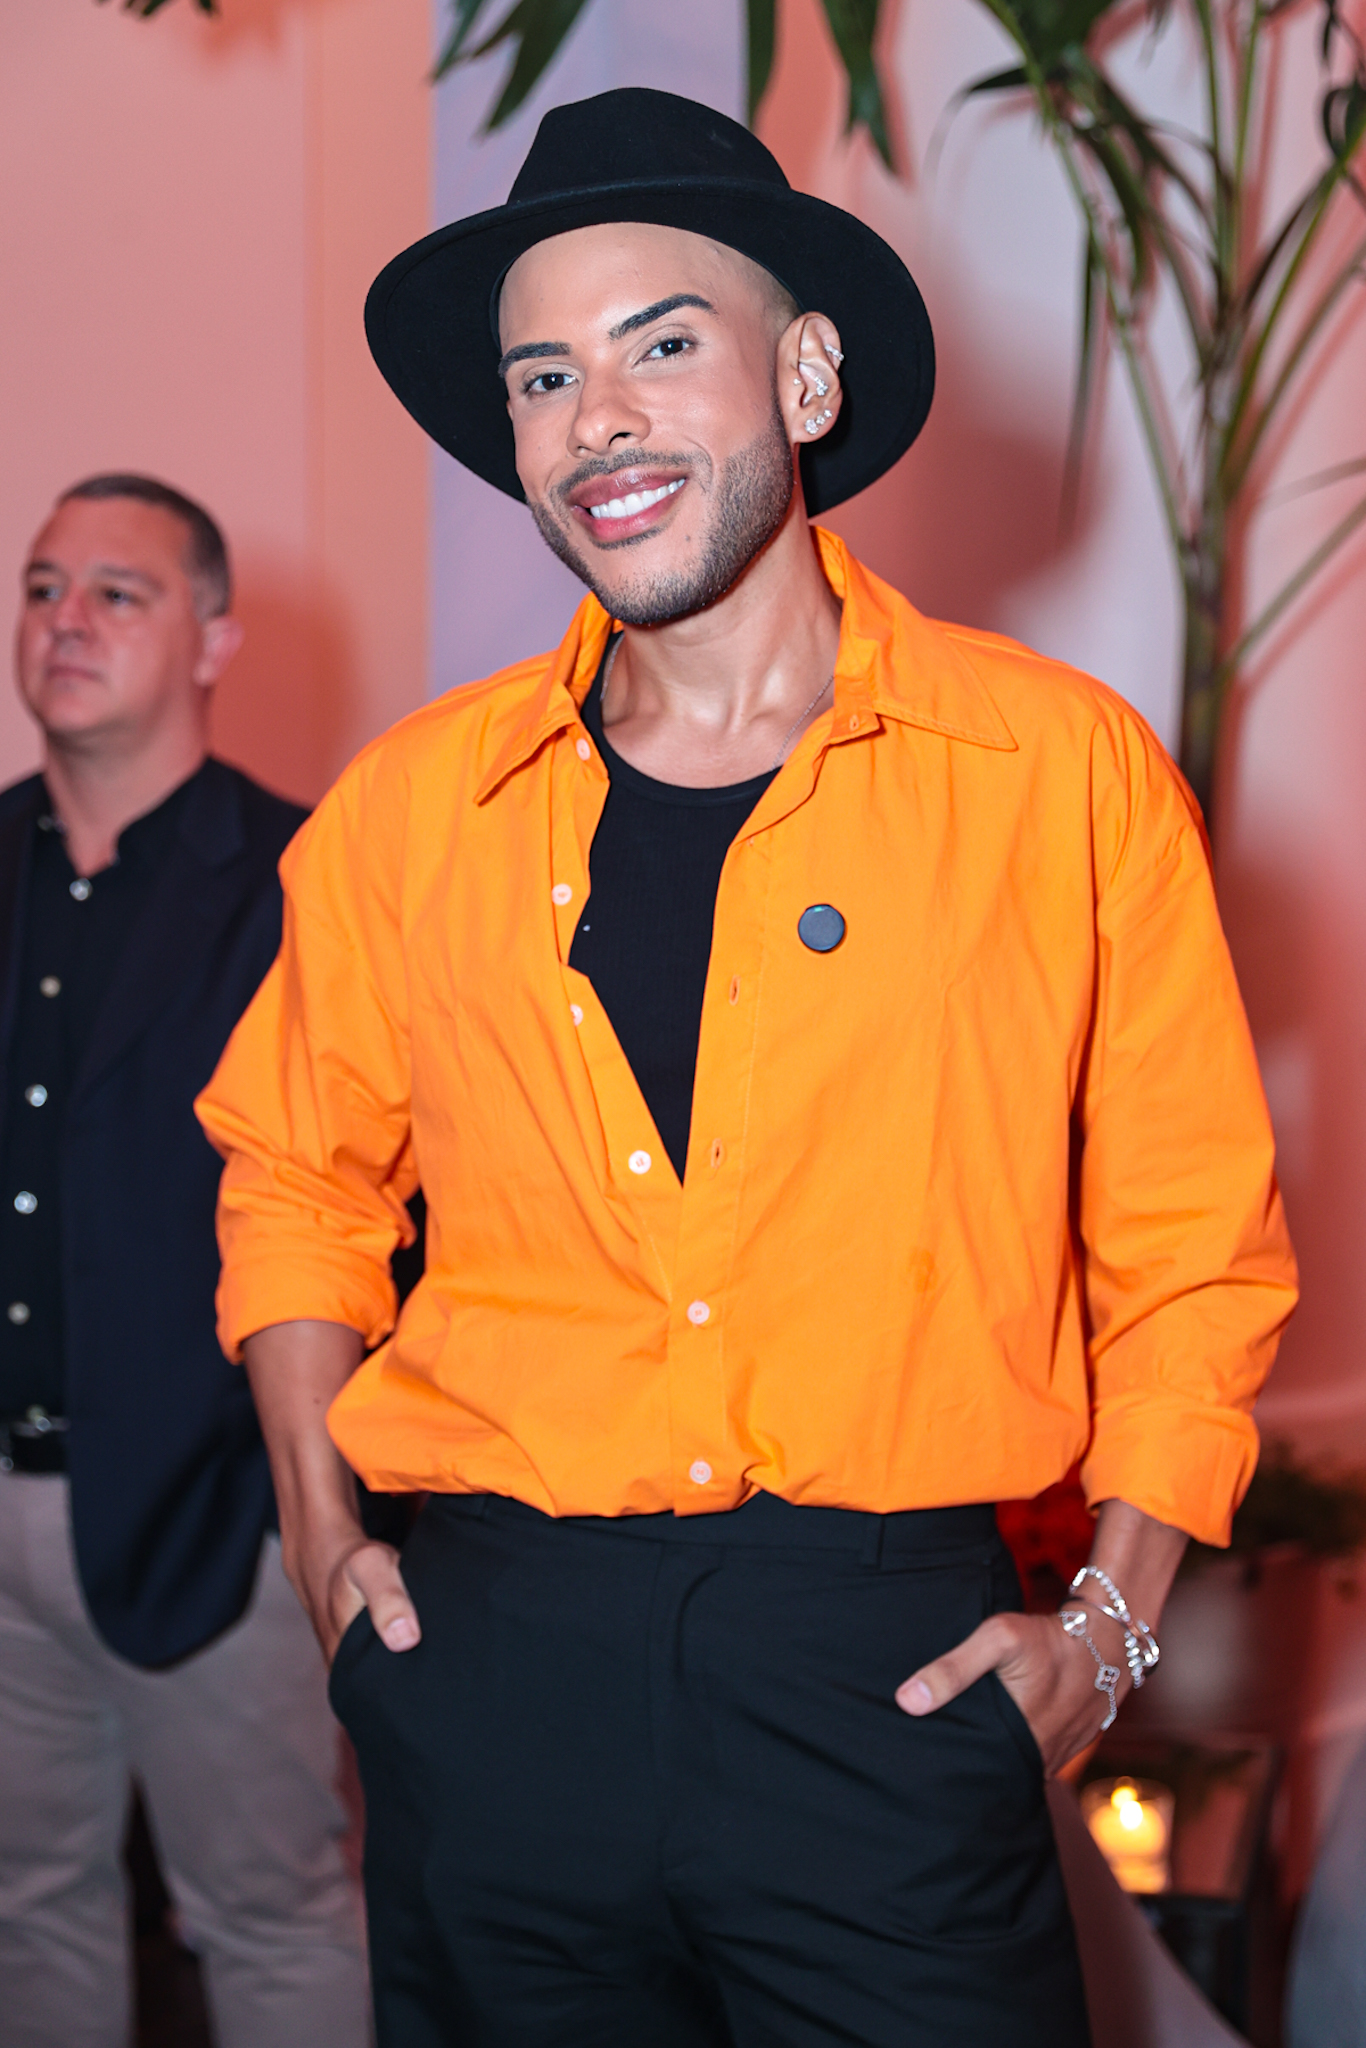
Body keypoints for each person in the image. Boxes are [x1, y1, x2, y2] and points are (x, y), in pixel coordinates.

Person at [196, 90, 1298, 2048]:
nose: (595, 419)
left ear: (802, 376)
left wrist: (1110, 1627)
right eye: (544, 377)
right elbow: (295, 1170)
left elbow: (1188, 1245)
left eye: (658, 345)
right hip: (491, 1671)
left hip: (881, 1674)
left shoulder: (1056, 777)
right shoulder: (407, 812)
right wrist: (317, 1527)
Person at [0, 475, 371, 2048]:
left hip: (220, 1519)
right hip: (3, 1516)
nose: (65, 620)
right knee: (24, 1913)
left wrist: (307, 1500)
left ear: (214, 640)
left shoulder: (304, 879)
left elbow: (368, 1214)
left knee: (275, 1919)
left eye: (118, 591)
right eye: (42, 586)